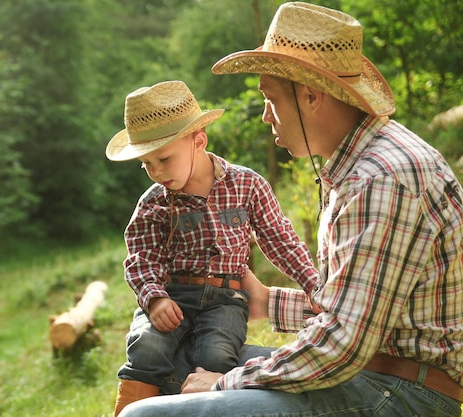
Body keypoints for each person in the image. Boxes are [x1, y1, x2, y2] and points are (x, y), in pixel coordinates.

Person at [119, 3, 463, 417]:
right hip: (370, 368)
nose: (266, 116)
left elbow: (342, 343)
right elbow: (359, 308)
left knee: (147, 414)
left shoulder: (382, 177)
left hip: (400, 393)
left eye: (271, 99)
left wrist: (226, 382)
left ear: (311, 97)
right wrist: (266, 301)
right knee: (181, 363)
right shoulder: (359, 167)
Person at [105, 80, 319, 416]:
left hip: (226, 298)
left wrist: (312, 282)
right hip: (172, 294)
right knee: (148, 346)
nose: (156, 172)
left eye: (163, 159)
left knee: (217, 356)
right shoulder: (153, 203)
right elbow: (140, 258)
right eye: (146, 164)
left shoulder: (247, 185)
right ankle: (129, 410)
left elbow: (280, 238)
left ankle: (200, 408)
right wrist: (154, 297)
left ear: (198, 141)